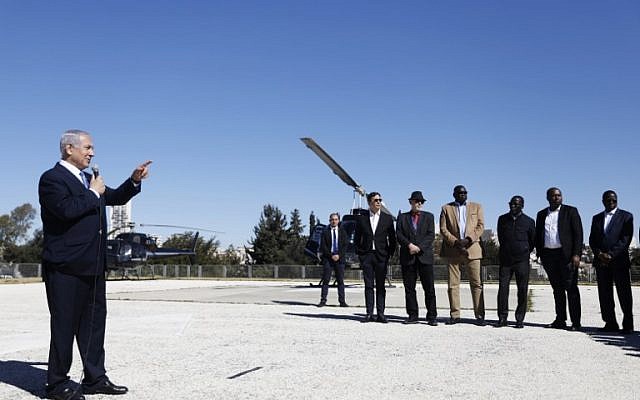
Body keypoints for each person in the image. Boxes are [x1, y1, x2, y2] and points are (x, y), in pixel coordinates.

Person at [39, 130, 151, 400]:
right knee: (64, 325)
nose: (92, 153)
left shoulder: (90, 180)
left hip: (93, 267)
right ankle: (56, 384)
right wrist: (92, 193)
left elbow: (114, 197)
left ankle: (94, 378)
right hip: (65, 267)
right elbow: (66, 210)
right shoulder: (52, 179)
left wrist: (133, 181)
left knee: (93, 325)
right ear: (69, 149)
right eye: (88, 148)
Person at [535, 187, 583, 331]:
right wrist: (540, 254)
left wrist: (576, 254)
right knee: (557, 289)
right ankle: (560, 319)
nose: (556, 198)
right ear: (548, 198)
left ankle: (576, 322)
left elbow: (578, 234)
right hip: (549, 255)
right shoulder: (542, 214)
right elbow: (538, 234)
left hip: (566, 256)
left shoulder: (571, 211)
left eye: (559, 195)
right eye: (553, 196)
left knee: (571, 288)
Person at [589, 190, 634, 334]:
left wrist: (611, 254)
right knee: (605, 294)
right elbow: (592, 239)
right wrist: (599, 254)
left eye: (614, 200)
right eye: (608, 200)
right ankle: (610, 322)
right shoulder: (596, 218)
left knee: (624, 293)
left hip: (619, 261)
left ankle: (628, 324)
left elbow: (625, 239)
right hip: (601, 262)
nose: (611, 203)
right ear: (603, 201)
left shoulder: (626, 216)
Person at [440, 185, 486, 325]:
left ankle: (479, 315)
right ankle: (455, 315)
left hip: (472, 249)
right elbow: (443, 228)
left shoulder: (477, 207)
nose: (462, 195)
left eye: (465, 192)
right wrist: (456, 242)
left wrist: (468, 239)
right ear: (454, 194)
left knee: (476, 284)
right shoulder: (446, 208)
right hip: (453, 250)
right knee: (453, 285)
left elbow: (480, 226)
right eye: (459, 193)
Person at [396, 191, 437, 325]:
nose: (419, 203)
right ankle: (413, 315)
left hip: (424, 257)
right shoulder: (402, 217)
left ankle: (431, 316)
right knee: (409, 289)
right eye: (417, 201)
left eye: (421, 201)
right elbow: (399, 234)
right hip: (408, 257)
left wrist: (419, 247)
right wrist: (409, 245)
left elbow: (430, 235)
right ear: (411, 202)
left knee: (429, 288)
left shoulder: (429, 217)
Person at [355, 192, 397, 323]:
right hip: (367, 256)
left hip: (381, 256)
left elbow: (392, 239)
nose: (379, 202)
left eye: (380, 200)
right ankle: (369, 313)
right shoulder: (362, 218)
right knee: (368, 285)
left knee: (380, 286)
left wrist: (388, 254)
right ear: (369, 203)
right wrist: (361, 254)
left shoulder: (387, 218)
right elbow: (357, 239)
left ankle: (380, 313)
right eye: (376, 200)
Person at [495, 196, 535, 328]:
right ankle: (502, 317)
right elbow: (501, 237)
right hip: (506, 260)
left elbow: (532, 240)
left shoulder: (529, 221)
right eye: (511, 204)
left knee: (522, 289)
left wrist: (523, 250)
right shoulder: (502, 219)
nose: (513, 206)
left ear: (522, 206)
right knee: (503, 289)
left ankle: (519, 318)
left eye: (516, 204)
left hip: (521, 260)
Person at [318, 212, 348, 307]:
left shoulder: (342, 231)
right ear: (329, 221)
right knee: (326, 280)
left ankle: (342, 301)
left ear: (338, 221)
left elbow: (345, 245)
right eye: (332, 219)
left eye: (336, 219)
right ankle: (323, 300)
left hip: (340, 259)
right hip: (328, 259)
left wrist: (339, 255)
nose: (334, 221)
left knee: (340, 281)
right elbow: (323, 246)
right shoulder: (325, 232)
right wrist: (331, 255)